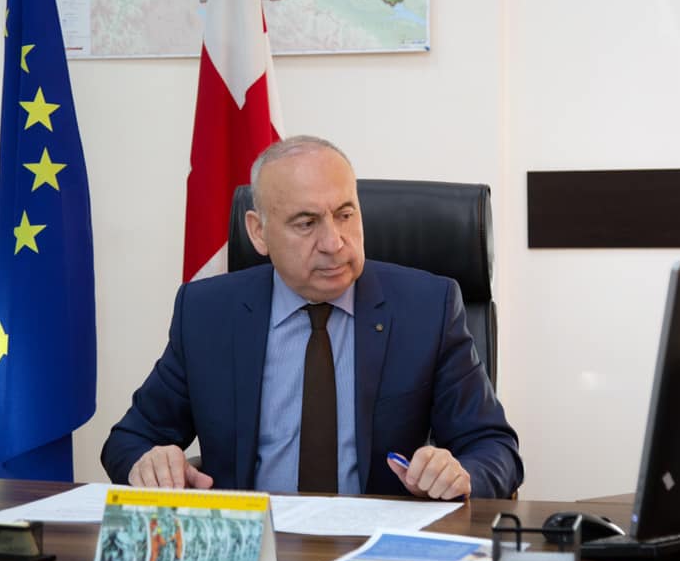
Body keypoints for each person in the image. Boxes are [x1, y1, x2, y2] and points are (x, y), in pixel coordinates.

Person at [101, 136, 523, 499]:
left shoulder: (426, 307)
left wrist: (460, 475)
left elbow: (494, 448)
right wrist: (150, 464)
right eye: (306, 223)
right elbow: (129, 440)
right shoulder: (208, 313)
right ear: (258, 232)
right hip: (254, 544)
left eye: (345, 214)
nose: (334, 242)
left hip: (374, 544)